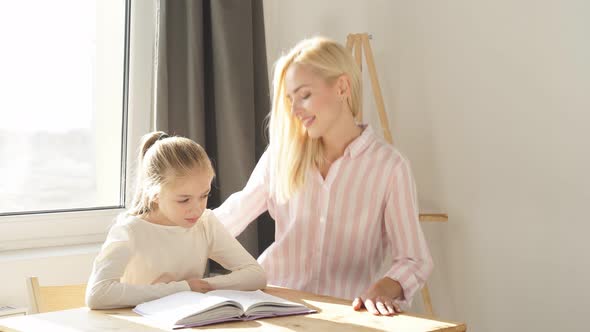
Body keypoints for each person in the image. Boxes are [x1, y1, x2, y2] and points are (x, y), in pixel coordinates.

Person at [214, 37, 433, 316]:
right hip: (271, 306)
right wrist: (163, 232)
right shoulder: (281, 156)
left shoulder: (390, 168)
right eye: (290, 100)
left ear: (342, 87)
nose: (294, 111)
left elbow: (415, 259)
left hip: (346, 314)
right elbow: (229, 218)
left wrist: (384, 287)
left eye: (304, 95)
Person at [86, 131, 266, 309]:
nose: (197, 208)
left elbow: (256, 275)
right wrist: (184, 288)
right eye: (184, 200)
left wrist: (203, 286)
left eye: (204, 196)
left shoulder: (205, 222)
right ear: (154, 194)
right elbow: (98, 294)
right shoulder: (130, 230)